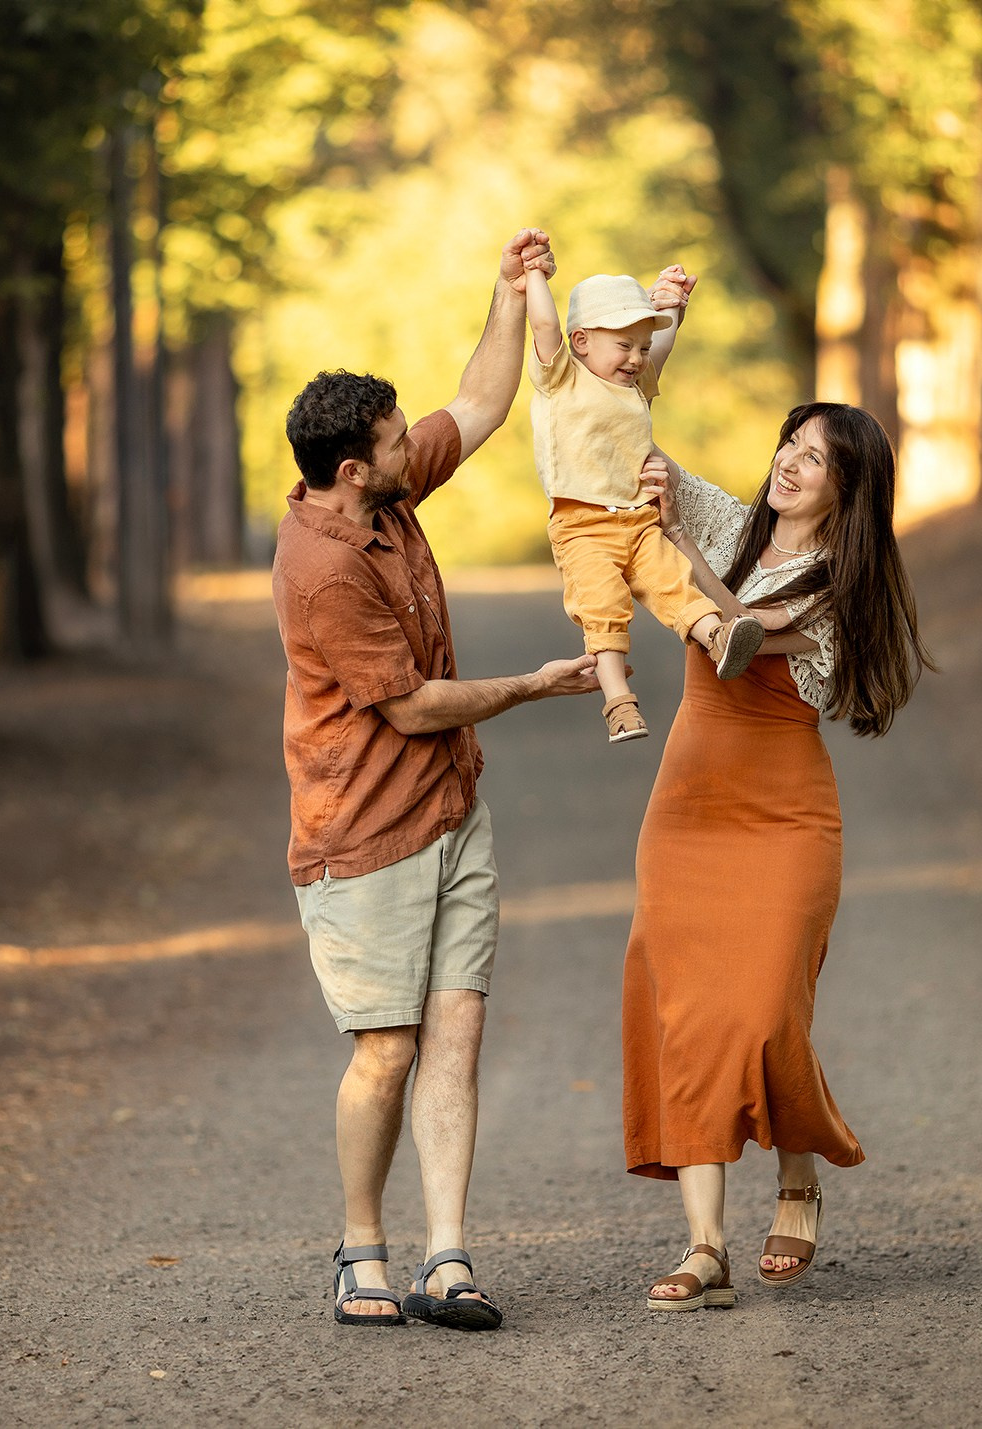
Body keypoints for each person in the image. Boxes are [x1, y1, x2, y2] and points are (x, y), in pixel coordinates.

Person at [272, 229, 604, 1332]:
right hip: (363, 835)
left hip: (452, 814)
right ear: (351, 470)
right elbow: (411, 707)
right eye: (391, 438)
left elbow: (482, 400)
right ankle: (360, 1248)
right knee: (387, 1048)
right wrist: (534, 685)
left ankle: (447, 1256)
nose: (410, 442)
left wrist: (508, 293)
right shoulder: (322, 569)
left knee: (455, 1035)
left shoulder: (386, 491)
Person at [621, 399, 934, 1311]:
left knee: (763, 1012)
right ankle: (705, 1245)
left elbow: (739, 637)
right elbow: (630, 435)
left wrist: (680, 542)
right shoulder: (733, 522)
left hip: (785, 815)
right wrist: (638, 355)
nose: (789, 463)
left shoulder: (843, 586)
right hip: (688, 806)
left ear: (848, 489)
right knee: (688, 1011)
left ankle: (800, 1176)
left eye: (815, 458)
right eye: (789, 445)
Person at [521, 260, 767, 743]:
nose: (635, 358)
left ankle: (718, 638)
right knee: (603, 605)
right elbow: (545, 325)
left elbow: (663, 341)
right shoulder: (562, 379)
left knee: (675, 582)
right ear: (582, 341)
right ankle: (619, 703)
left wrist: (672, 300)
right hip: (582, 525)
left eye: (641, 348)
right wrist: (534, 274)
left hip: (638, 520)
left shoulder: (634, 387)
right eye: (624, 345)